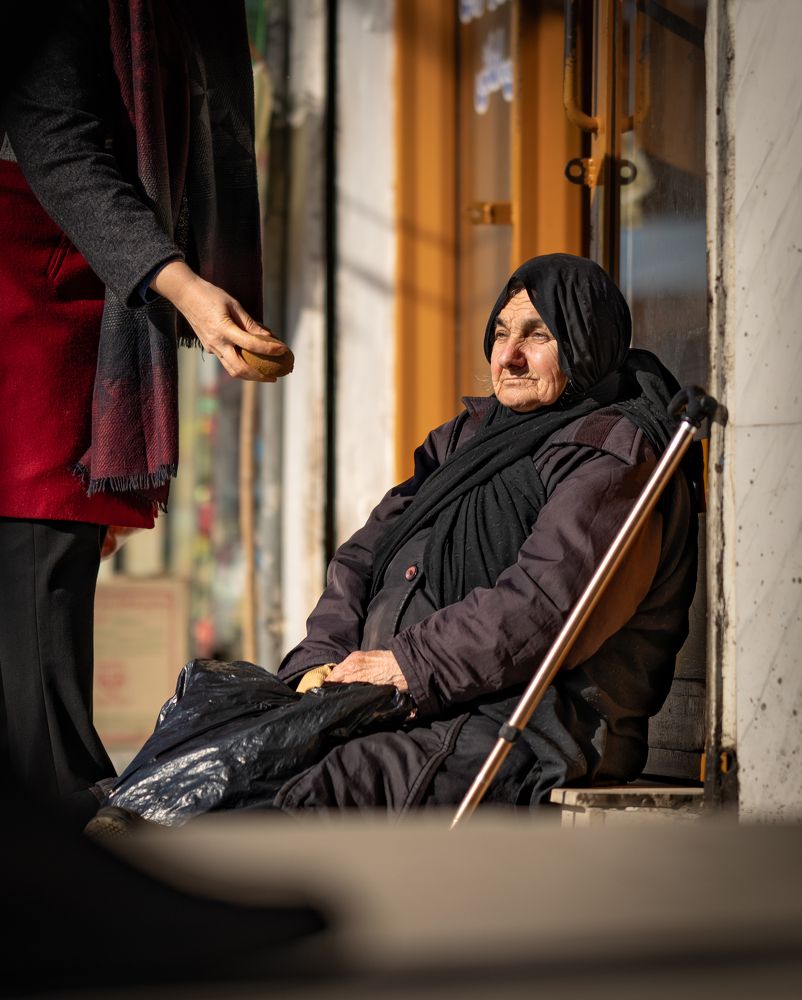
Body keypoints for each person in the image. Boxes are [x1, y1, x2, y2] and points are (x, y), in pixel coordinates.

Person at [88, 252, 701, 832]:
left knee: (311, 792)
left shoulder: (611, 458)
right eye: (500, 333)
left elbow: (542, 605)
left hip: (521, 722)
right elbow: (362, 557)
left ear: (586, 341)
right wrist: (319, 661)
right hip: (396, 699)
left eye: (538, 336)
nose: (510, 356)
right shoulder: (466, 439)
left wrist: (404, 666)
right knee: (207, 735)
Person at [0, 0, 290, 828]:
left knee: (50, 554)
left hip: (91, 272)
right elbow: (56, 138)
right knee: (39, 555)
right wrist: (185, 287)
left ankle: (62, 812)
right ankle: (66, 816)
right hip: (34, 265)